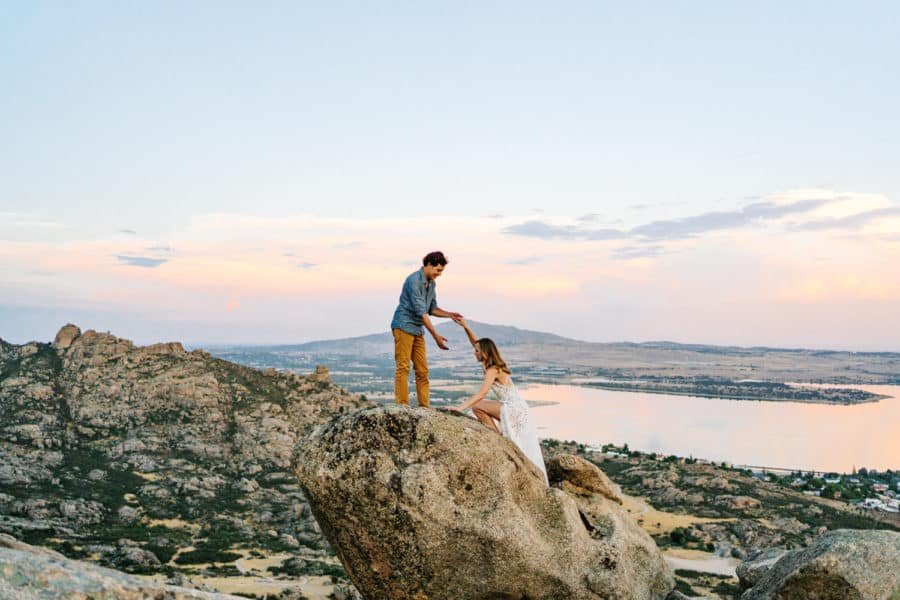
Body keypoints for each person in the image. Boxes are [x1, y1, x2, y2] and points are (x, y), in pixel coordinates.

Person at [451, 319, 548, 484]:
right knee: (524, 447)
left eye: (476, 351)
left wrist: (459, 408)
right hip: (519, 408)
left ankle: (496, 437)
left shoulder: (492, 370)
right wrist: (466, 327)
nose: (474, 353)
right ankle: (498, 437)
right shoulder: (494, 364)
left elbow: (481, 394)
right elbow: (476, 343)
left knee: (477, 407)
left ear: (484, 353)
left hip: (514, 409)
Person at [390, 251, 463, 407]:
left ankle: (425, 407)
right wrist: (436, 337)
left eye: (441, 271)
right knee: (403, 367)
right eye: (438, 270)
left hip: (417, 329)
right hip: (403, 325)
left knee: (422, 371)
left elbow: (432, 309)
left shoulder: (431, 283)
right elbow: (422, 313)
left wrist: (450, 315)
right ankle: (402, 406)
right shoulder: (414, 281)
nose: (439, 274)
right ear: (428, 265)